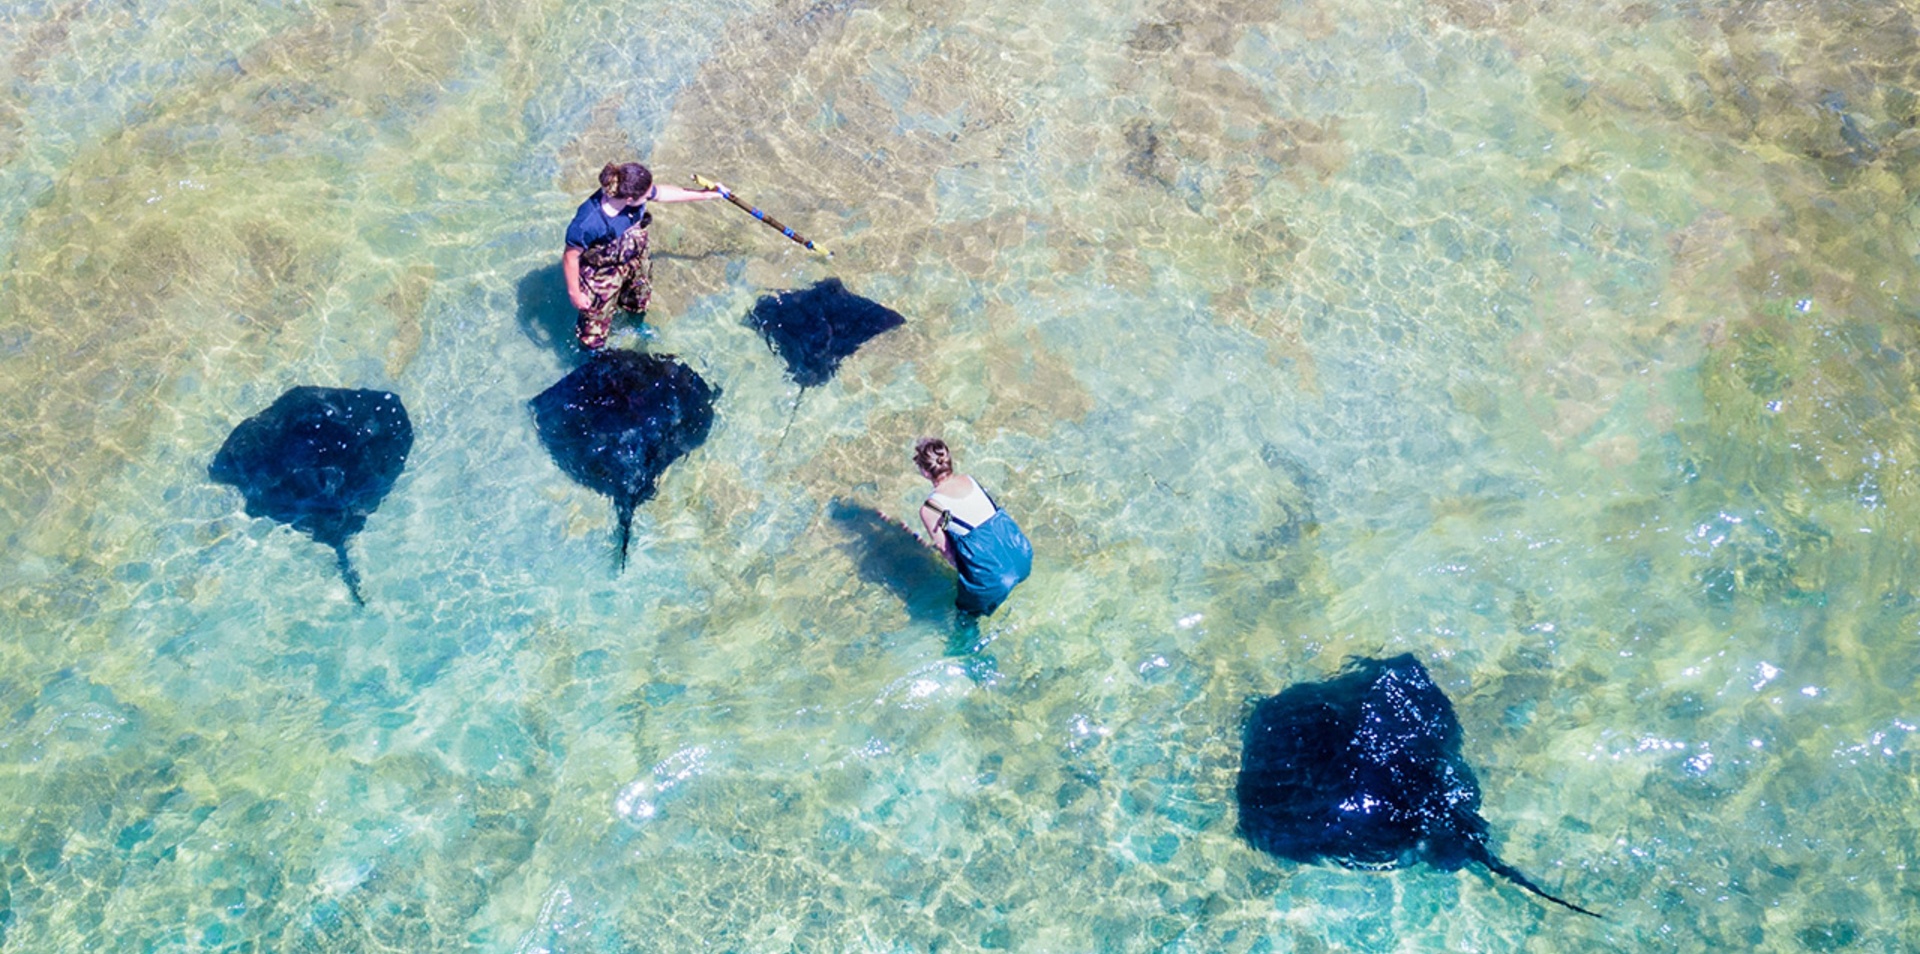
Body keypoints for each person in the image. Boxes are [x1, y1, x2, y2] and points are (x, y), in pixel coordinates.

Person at [562, 162, 725, 350]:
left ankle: (635, 324)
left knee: (638, 300)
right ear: (629, 200)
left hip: (635, 257)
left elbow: (663, 193)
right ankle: (592, 355)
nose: (652, 195)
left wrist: (706, 194)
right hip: (602, 273)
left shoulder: (630, 191)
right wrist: (574, 293)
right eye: (647, 194)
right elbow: (570, 257)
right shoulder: (589, 222)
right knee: (593, 329)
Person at [915, 438, 1033, 617]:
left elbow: (947, 553)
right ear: (948, 461)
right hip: (1022, 556)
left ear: (925, 471)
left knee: (964, 618)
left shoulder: (930, 508)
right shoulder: (969, 480)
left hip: (993, 580)